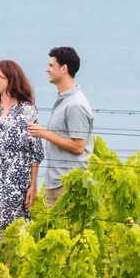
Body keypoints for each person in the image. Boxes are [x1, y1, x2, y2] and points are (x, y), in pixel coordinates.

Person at [0, 59, 42, 239]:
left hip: (16, 179)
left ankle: (8, 267)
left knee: (12, 232)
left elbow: (35, 151)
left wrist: (33, 185)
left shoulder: (27, 110)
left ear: (11, 78)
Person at [27, 45, 92, 204]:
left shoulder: (75, 104)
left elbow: (78, 146)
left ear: (63, 69)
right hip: (56, 182)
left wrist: (45, 134)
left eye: (51, 65)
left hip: (66, 186)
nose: (46, 69)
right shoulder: (64, 100)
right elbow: (62, 135)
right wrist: (43, 130)